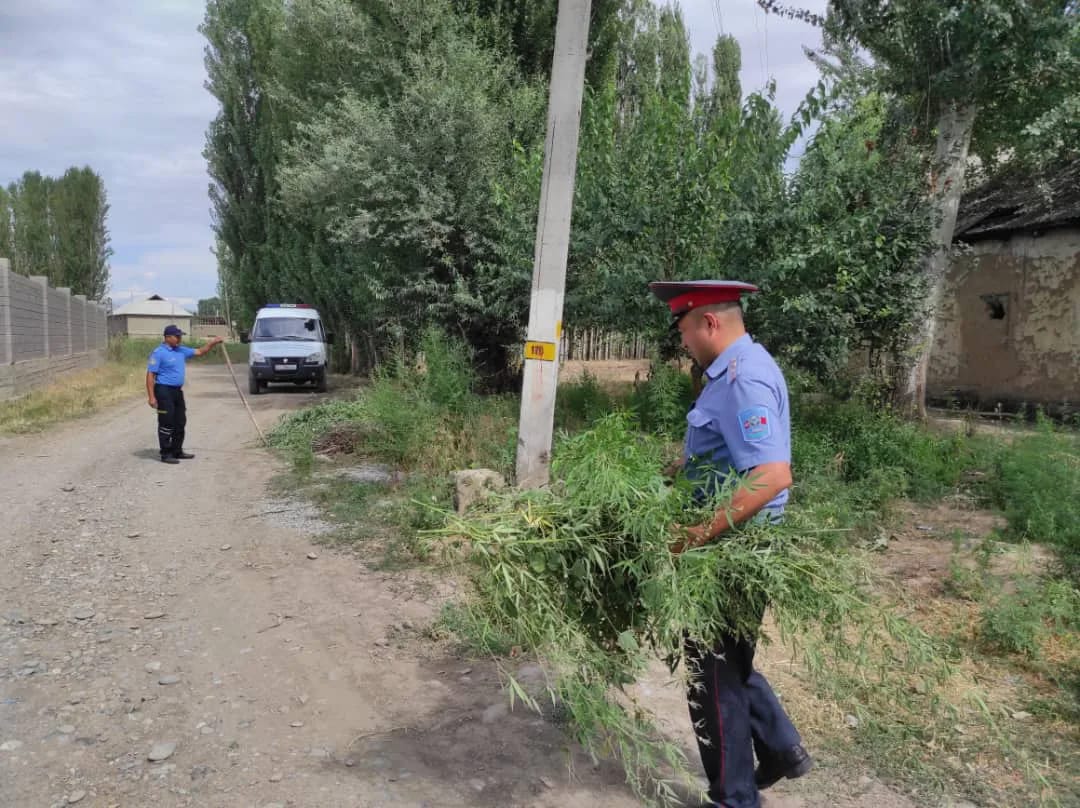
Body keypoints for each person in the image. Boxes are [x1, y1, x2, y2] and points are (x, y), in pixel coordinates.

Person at [648, 280, 813, 808]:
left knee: (713, 678)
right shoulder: (731, 372)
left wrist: (695, 535)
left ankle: (734, 798)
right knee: (730, 662)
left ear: (709, 322)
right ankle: (782, 749)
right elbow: (726, 451)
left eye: (683, 329)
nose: (682, 341)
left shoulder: (743, 379)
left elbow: (770, 475)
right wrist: (675, 470)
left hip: (730, 551)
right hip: (727, 543)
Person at [146, 325, 224, 464]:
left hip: (177, 391)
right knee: (166, 422)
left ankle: (177, 450)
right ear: (167, 337)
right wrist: (151, 397)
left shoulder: (180, 350)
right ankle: (166, 453)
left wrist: (213, 342)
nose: (179, 338)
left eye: (180, 336)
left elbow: (200, 351)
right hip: (163, 390)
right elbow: (150, 375)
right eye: (177, 336)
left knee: (180, 421)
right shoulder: (158, 353)